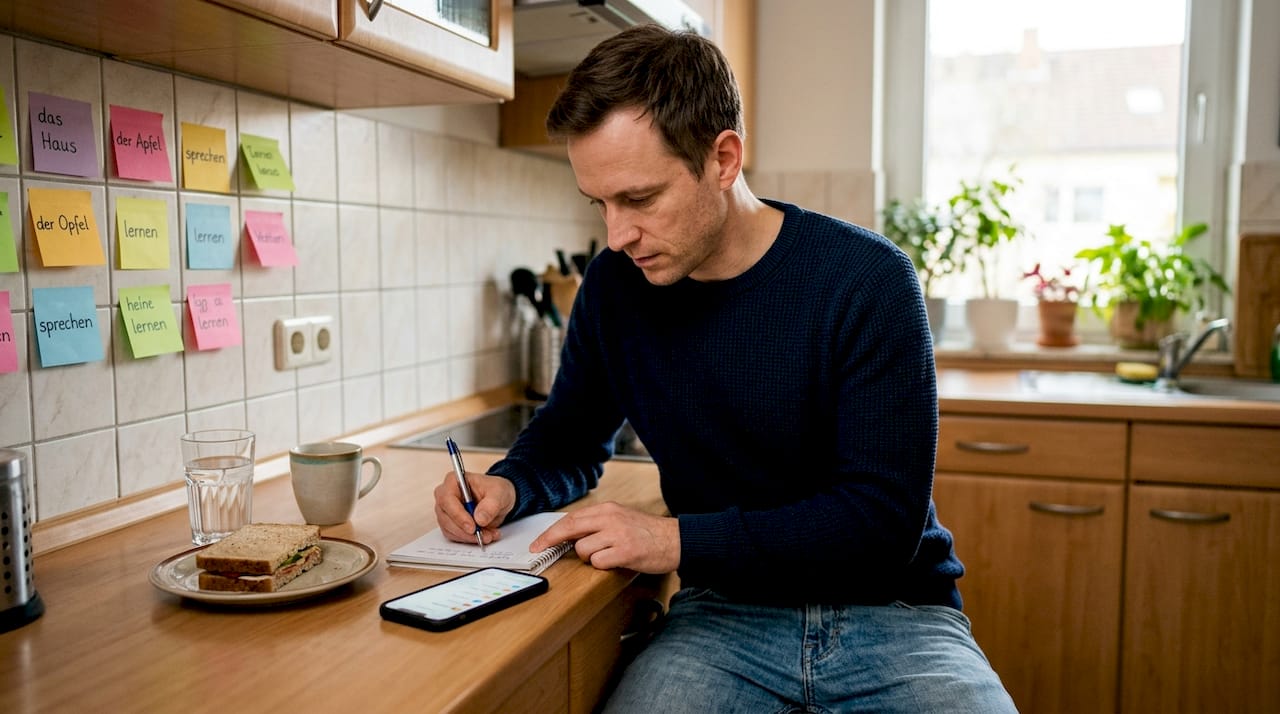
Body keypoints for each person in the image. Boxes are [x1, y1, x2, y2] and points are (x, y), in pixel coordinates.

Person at [434, 23, 1016, 713]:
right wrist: (506, 485)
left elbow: (879, 526)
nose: (616, 235)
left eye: (639, 200)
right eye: (600, 204)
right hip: (722, 621)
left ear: (724, 159)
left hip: (899, 619)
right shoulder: (615, 289)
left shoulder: (866, 280)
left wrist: (672, 539)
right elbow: (569, 437)